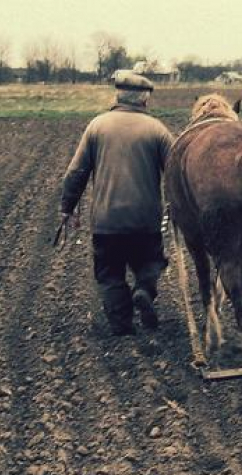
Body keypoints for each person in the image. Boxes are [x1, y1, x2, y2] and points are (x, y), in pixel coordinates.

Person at [60, 71, 174, 335]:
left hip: (106, 220)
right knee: (150, 263)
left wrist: (67, 208)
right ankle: (144, 290)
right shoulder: (157, 130)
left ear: (118, 95)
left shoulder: (97, 126)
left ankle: (121, 325)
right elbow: (176, 172)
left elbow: (76, 172)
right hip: (145, 220)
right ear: (145, 99)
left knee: (110, 273)